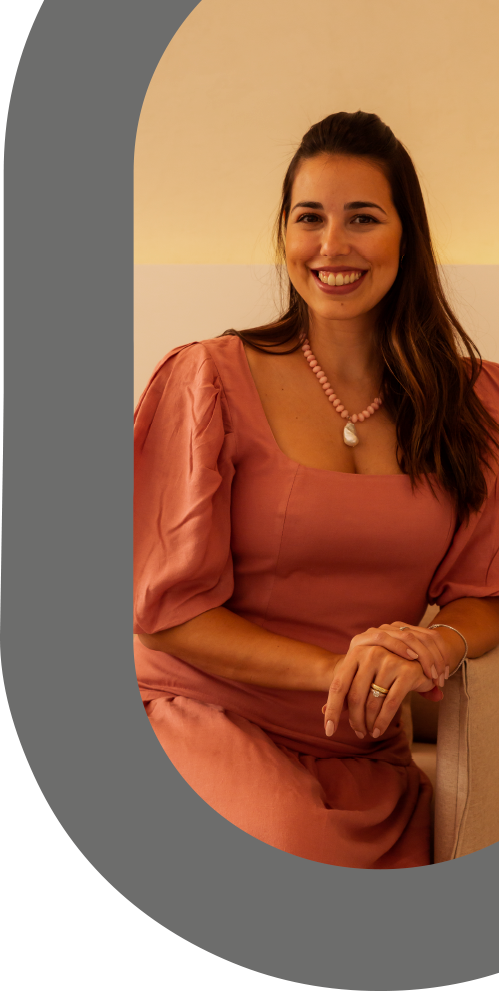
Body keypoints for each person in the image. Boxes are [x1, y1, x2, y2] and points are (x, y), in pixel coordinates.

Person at [133, 110, 499, 868]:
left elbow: (484, 591)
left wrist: (431, 646)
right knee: (290, 849)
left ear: (406, 236)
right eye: (309, 218)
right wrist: (340, 671)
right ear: (284, 235)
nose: (331, 245)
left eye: (362, 217)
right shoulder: (207, 380)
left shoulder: (473, 403)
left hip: (362, 751)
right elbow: (165, 614)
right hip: (203, 713)